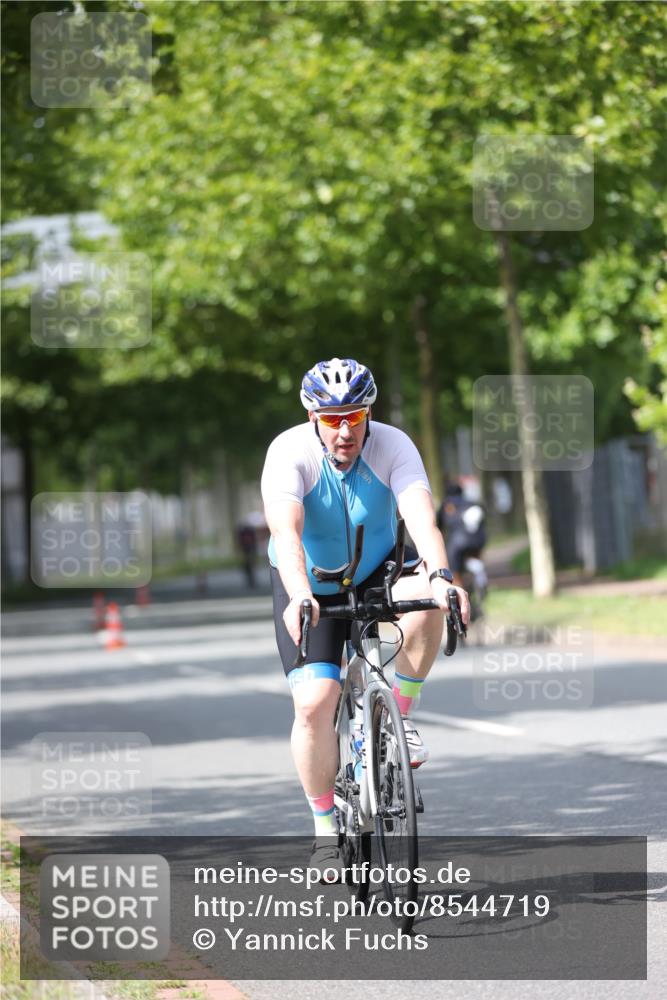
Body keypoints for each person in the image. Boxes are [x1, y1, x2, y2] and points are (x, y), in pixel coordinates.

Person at [261, 358, 470, 873]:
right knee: (314, 702)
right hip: (307, 581)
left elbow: (421, 516)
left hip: (377, 569)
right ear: (312, 416)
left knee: (427, 600)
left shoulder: (394, 445)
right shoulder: (289, 452)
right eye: (331, 418)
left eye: (354, 416)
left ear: (368, 412)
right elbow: (287, 533)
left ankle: (399, 711)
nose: (344, 429)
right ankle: (324, 824)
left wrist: (444, 578)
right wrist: (298, 594)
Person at [437, 482, 488, 594]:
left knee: (453, 569)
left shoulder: (446, 505)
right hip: (478, 541)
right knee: (475, 557)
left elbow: (438, 528)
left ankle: (458, 589)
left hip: (458, 544)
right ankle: (481, 578)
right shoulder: (472, 503)